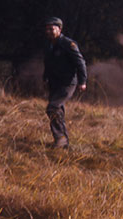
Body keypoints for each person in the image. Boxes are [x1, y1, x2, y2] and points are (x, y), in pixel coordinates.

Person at [42, 17, 87, 148]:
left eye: (52, 29)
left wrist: (82, 81)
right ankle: (62, 141)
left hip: (68, 83)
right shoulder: (49, 45)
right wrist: (45, 78)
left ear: (59, 29)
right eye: (47, 29)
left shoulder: (68, 44)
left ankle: (60, 139)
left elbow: (81, 63)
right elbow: (47, 63)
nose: (49, 31)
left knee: (53, 107)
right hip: (54, 83)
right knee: (58, 111)